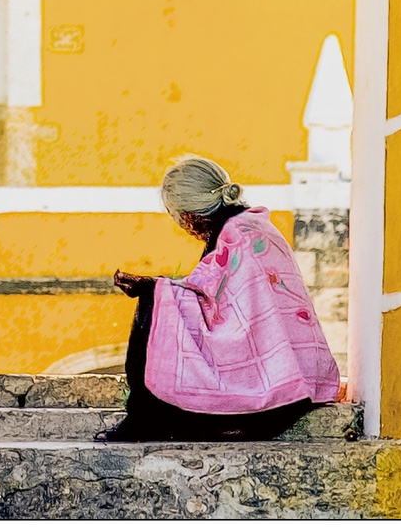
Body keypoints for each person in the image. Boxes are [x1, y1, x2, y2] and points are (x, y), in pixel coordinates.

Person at [97, 155, 341, 442]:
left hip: (279, 384)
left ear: (190, 216)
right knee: (158, 293)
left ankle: (142, 418)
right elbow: (218, 295)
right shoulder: (248, 227)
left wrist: (152, 289)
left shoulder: (238, 236)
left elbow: (220, 305)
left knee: (155, 303)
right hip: (297, 373)